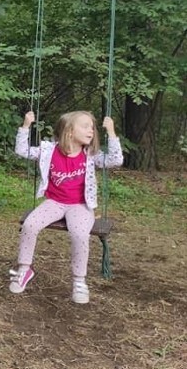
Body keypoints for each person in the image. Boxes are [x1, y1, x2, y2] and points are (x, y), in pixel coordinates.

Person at [11, 110, 123, 304]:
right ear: (70, 131)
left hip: (80, 206)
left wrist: (111, 132)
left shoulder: (90, 155)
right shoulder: (49, 151)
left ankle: (79, 281)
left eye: (93, 127)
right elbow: (23, 151)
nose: (91, 131)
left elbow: (115, 160)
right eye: (85, 126)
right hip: (54, 203)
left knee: (79, 234)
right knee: (30, 225)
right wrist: (26, 126)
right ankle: (24, 269)